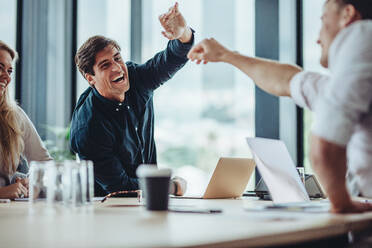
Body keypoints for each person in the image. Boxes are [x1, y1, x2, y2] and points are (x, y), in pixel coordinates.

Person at [187, 0, 372, 213]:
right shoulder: (356, 82)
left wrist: (342, 203)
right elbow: (288, 80)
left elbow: (325, 149)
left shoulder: (362, 36)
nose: (318, 38)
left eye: (323, 19)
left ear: (347, 15)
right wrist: (226, 55)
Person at [70, 3, 192, 197]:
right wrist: (172, 186)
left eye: (117, 58)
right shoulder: (89, 126)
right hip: (108, 212)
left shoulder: (136, 78)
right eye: (105, 65)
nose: (117, 68)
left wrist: (182, 33)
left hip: (149, 203)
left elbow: (170, 59)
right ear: (90, 78)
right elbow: (121, 187)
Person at [0, 41, 51, 199]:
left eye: (9, 71)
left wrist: (32, 181)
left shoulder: (13, 115)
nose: (7, 76)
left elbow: (44, 163)